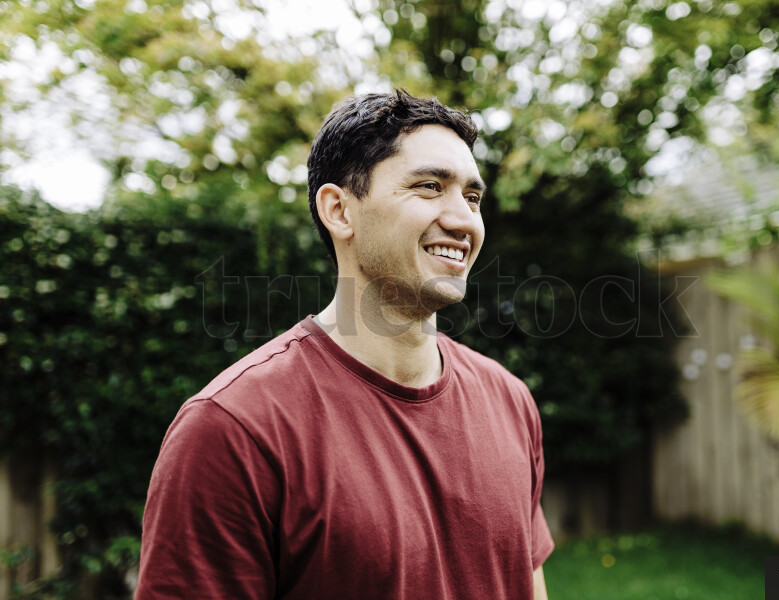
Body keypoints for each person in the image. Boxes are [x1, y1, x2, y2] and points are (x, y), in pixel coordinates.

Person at [135, 90, 554, 599]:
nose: (465, 221)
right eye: (428, 186)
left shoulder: (509, 400)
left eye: (471, 197)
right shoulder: (234, 429)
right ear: (339, 210)